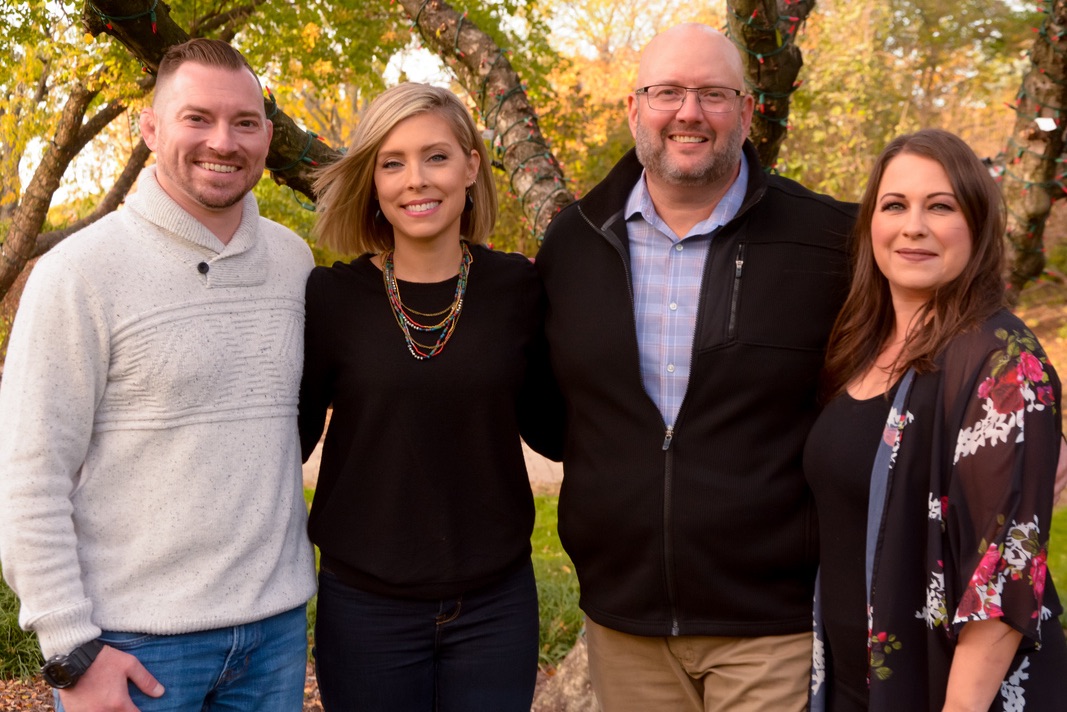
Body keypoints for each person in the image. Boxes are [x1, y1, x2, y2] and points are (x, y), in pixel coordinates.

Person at [535, 23, 857, 711]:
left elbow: (938, 304)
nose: (688, 112)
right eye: (667, 92)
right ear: (633, 109)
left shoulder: (827, 240)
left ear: (746, 111)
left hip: (769, 627)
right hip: (625, 624)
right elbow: (555, 414)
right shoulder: (574, 245)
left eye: (713, 93)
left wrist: (1017, 403)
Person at [0, 38, 316, 711]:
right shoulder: (79, 273)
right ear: (149, 128)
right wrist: (70, 650)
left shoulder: (294, 263)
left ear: (267, 134)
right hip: (133, 645)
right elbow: (29, 472)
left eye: (246, 122)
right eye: (196, 117)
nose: (223, 141)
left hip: (276, 637)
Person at [298, 82, 560, 711]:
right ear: (373, 180)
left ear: (472, 164)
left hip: (495, 606)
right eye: (393, 162)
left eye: (436, 156)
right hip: (365, 608)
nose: (416, 180)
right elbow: (285, 441)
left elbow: (558, 430)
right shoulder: (330, 299)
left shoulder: (520, 289)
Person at [804, 128, 1067, 710]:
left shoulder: (1003, 363)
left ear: (976, 223)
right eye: (894, 205)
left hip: (948, 694)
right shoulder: (861, 345)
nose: (913, 226)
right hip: (852, 684)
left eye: (940, 206)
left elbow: (1002, 581)